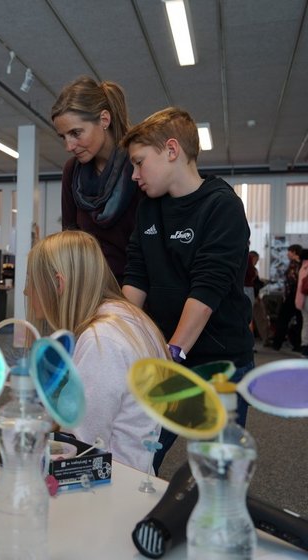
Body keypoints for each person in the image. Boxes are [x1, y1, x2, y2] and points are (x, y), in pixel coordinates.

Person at [120, 107, 255, 473]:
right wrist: (116, 333)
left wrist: (172, 353)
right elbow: (136, 278)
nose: (134, 175)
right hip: (168, 355)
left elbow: (206, 292)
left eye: (139, 163)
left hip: (219, 364)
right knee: (138, 457)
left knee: (217, 472)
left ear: (171, 150)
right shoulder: (148, 209)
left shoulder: (222, 206)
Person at [25, 230, 168, 472]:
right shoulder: (128, 319)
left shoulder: (101, 341)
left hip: (110, 481)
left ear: (58, 284)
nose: (27, 291)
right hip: (130, 473)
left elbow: (82, 442)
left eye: (32, 281)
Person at [51, 76, 142, 284]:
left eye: (76, 133)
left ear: (104, 120)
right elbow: (70, 241)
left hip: (136, 290)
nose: (69, 146)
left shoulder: (138, 164)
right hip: (89, 288)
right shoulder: (71, 171)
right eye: (63, 137)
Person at [272, 244, 303, 351]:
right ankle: (298, 344)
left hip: (292, 296)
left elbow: (292, 280)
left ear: (294, 252)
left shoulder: (294, 264)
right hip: (299, 296)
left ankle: (277, 343)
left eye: (289, 251)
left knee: (283, 319)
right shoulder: (301, 264)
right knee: (300, 320)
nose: (287, 254)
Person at [294, 248, 308, 358]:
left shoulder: (302, 266)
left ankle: (304, 347)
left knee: (305, 322)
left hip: (301, 299)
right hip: (306, 298)